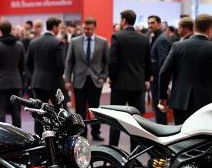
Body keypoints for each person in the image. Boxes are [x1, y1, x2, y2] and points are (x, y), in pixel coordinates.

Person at [159, 14, 212, 125]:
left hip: (180, 101)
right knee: (204, 139)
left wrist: (163, 97)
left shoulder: (177, 46)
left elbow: (164, 72)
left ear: (193, 28)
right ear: (210, 29)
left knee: (180, 136)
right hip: (207, 104)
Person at [108, 9, 151, 147]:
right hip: (138, 84)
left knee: (115, 120)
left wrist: (112, 78)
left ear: (124, 20)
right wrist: (146, 79)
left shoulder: (117, 36)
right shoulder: (144, 38)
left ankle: (113, 150)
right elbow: (148, 62)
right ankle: (135, 153)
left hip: (120, 84)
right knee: (136, 121)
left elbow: (112, 61)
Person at [64, 18, 109, 141]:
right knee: (79, 109)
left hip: (96, 81)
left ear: (94, 28)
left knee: (94, 109)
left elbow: (107, 62)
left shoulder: (103, 42)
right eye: (85, 28)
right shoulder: (74, 41)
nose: (87, 31)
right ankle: (82, 133)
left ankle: (96, 132)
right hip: (79, 81)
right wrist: (67, 79)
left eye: (89, 29)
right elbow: (69, 62)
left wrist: (104, 77)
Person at [26, 17, 65, 136]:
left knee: (39, 111)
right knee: (58, 112)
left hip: (37, 82)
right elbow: (61, 65)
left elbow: (28, 63)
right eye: (58, 27)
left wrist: (36, 75)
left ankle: (38, 136)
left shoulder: (34, 42)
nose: (59, 29)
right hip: (54, 83)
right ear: (54, 27)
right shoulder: (58, 42)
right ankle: (59, 135)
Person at [0, 21, 24, 128]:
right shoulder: (19, 45)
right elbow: (22, 65)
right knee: (16, 109)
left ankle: (2, 133)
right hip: (16, 80)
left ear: (0, 31)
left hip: (1, 82)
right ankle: (19, 134)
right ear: (11, 30)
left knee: (1, 109)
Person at [148, 15, 172, 124]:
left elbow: (163, 62)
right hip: (156, 79)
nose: (150, 25)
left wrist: (156, 76)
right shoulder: (156, 37)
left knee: (160, 109)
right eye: (149, 23)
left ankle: (162, 135)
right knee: (158, 109)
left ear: (159, 23)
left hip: (158, 80)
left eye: (152, 23)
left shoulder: (161, 39)